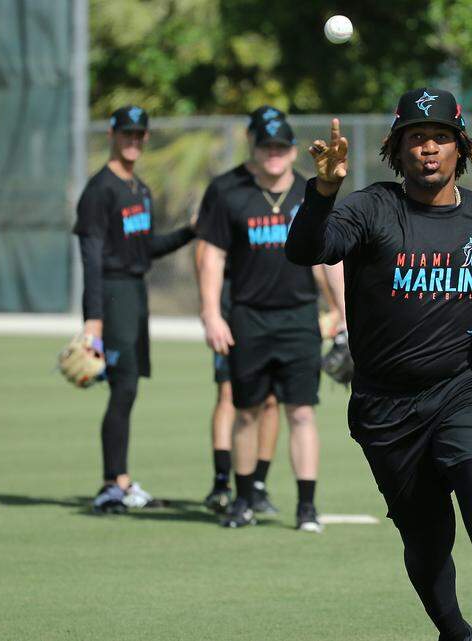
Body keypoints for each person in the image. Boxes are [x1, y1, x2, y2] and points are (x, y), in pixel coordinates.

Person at [286, 88, 472, 641]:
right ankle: (455, 633)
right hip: (386, 405)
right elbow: (304, 249)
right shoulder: (370, 208)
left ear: (461, 148)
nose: (428, 148)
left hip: (467, 388)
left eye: (440, 137)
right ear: (397, 148)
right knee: (428, 538)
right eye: (416, 137)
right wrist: (324, 190)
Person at [197, 106, 345, 532]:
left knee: (301, 412)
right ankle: (243, 500)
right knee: (245, 410)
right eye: (267, 145)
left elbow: (327, 258)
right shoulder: (229, 191)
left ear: (293, 149)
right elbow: (212, 257)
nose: (274, 153)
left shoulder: (310, 192)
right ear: (254, 146)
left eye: (282, 146)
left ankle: (306, 508)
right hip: (247, 316)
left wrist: (341, 311)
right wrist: (211, 313)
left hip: (300, 316)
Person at [73, 105, 197, 514]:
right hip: (112, 293)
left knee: (128, 388)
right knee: (122, 388)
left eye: (140, 134)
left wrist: (190, 232)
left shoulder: (139, 189)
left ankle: (121, 480)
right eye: (126, 133)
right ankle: (113, 483)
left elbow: (147, 247)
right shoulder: (100, 190)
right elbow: (90, 256)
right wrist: (93, 321)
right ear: (112, 135)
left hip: (135, 293)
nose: (134, 140)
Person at [195, 241, 282, 515]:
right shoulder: (231, 199)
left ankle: (257, 485)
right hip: (234, 308)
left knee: (270, 400)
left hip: (278, 310)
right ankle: (222, 482)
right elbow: (204, 254)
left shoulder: (292, 201)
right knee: (229, 395)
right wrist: (210, 311)